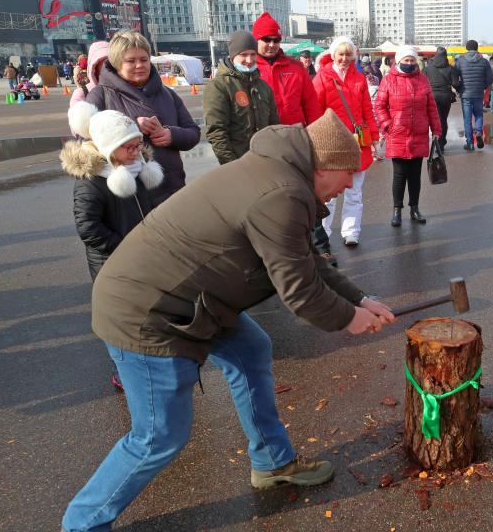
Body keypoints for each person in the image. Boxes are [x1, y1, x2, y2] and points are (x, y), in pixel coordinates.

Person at [60, 109, 397, 532]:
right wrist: (350, 320)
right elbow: (299, 291)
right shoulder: (280, 193)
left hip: (196, 299)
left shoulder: (280, 174)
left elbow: (307, 262)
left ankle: (272, 462)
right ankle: (82, 523)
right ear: (324, 165)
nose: (349, 184)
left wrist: (361, 298)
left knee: (251, 349)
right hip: (145, 311)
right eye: (348, 174)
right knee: (158, 437)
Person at [61, 103, 164, 392]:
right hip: (112, 261)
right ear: (107, 148)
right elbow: (88, 228)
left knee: (146, 311)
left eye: (137, 144)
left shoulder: (137, 169)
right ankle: (125, 372)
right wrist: (125, 249)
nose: (136, 151)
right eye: (128, 147)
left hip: (141, 256)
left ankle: (150, 362)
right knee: (121, 320)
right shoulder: (91, 182)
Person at [251, 13, 335, 262]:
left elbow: (311, 106)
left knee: (307, 195)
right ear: (256, 39)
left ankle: (320, 247)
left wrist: (317, 138)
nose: (272, 44)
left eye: (276, 39)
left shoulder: (295, 67)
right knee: (268, 200)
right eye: (266, 39)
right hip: (262, 148)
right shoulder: (249, 68)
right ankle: (273, 253)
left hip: (296, 143)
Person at [86, 30, 200, 205]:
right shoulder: (100, 95)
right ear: (117, 63)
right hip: (130, 197)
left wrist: (172, 135)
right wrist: (130, 129)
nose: (139, 65)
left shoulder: (168, 94)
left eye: (144, 59)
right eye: (131, 61)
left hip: (173, 188)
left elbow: (193, 133)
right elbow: (85, 143)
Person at [313, 36, 379, 247]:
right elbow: (315, 112)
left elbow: (367, 109)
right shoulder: (322, 77)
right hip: (332, 142)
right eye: (340, 54)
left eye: (348, 54)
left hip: (357, 142)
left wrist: (375, 136)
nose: (344, 58)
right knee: (328, 194)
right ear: (333, 55)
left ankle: (351, 231)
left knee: (354, 192)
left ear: (354, 56)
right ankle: (323, 232)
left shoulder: (359, 79)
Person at [375, 45, 443, 227]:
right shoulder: (388, 80)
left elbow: (431, 107)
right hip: (397, 134)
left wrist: (436, 130)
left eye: (412, 60)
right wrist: (388, 125)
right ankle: (397, 210)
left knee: (415, 176)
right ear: (398, 61)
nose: (410, 63)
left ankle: (415, 208)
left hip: (418, 133)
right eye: (406, 60)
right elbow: (379, 106)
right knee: (399, 175)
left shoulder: (423, 80)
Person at [204, 31, 280, 165]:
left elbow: (274, 126)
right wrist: (232, 165)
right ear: (233, 56)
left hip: (265, 161)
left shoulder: (264, 87)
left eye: (253, 54)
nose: (249, 60)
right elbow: (217, 133)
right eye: (243, 55)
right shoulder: (219, 86)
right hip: (238, 163)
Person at [455, 40, 493, 151]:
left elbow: (455, 77)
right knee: (478, 115)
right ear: (477, 48)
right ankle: (478, 133)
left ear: (466, 48)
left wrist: (459, 88)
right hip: (478, 92)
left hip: (465, 93)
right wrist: (483, 86)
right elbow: (490, 79)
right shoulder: (484, 61)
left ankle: (469, 143)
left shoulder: (460, 61)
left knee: (467, 118)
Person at [424, 46, 461, 149]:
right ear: (445, 55)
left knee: (434, 119)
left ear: (435, 55)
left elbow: (422, 83)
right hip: (445, 96)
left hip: (431, 96)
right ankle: (441, 142)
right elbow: (455, 83)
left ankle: (435, 140)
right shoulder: (451, 68)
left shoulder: (428, 68)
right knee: (443, 119)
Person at [69, 42, 109, 107]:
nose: (106, 67)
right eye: (101, 63)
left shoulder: (123, 88)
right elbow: (77, 116)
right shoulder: (82, 93)